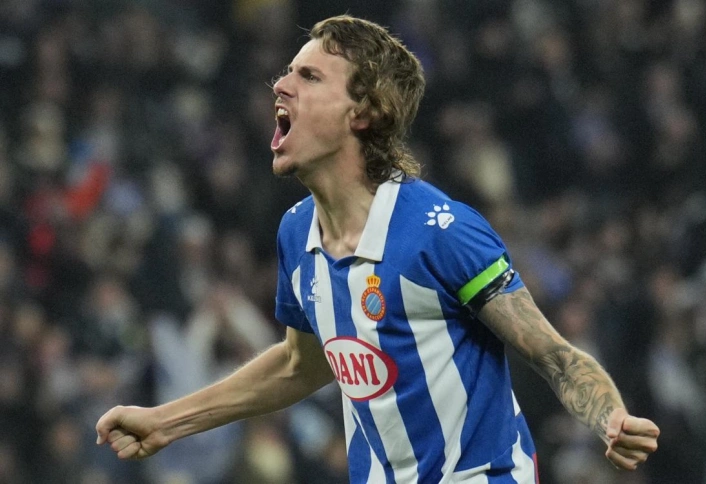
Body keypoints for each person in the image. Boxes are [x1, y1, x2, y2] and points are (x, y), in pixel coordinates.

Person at [95, 15, 659, 483]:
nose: (281, 86)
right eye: (287, 72)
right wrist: (166, 421)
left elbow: (552, 354)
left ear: (362, 113)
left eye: (310, 76)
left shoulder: (439, 232)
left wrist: (610, 414)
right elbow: (300, 363)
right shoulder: (297, 234)